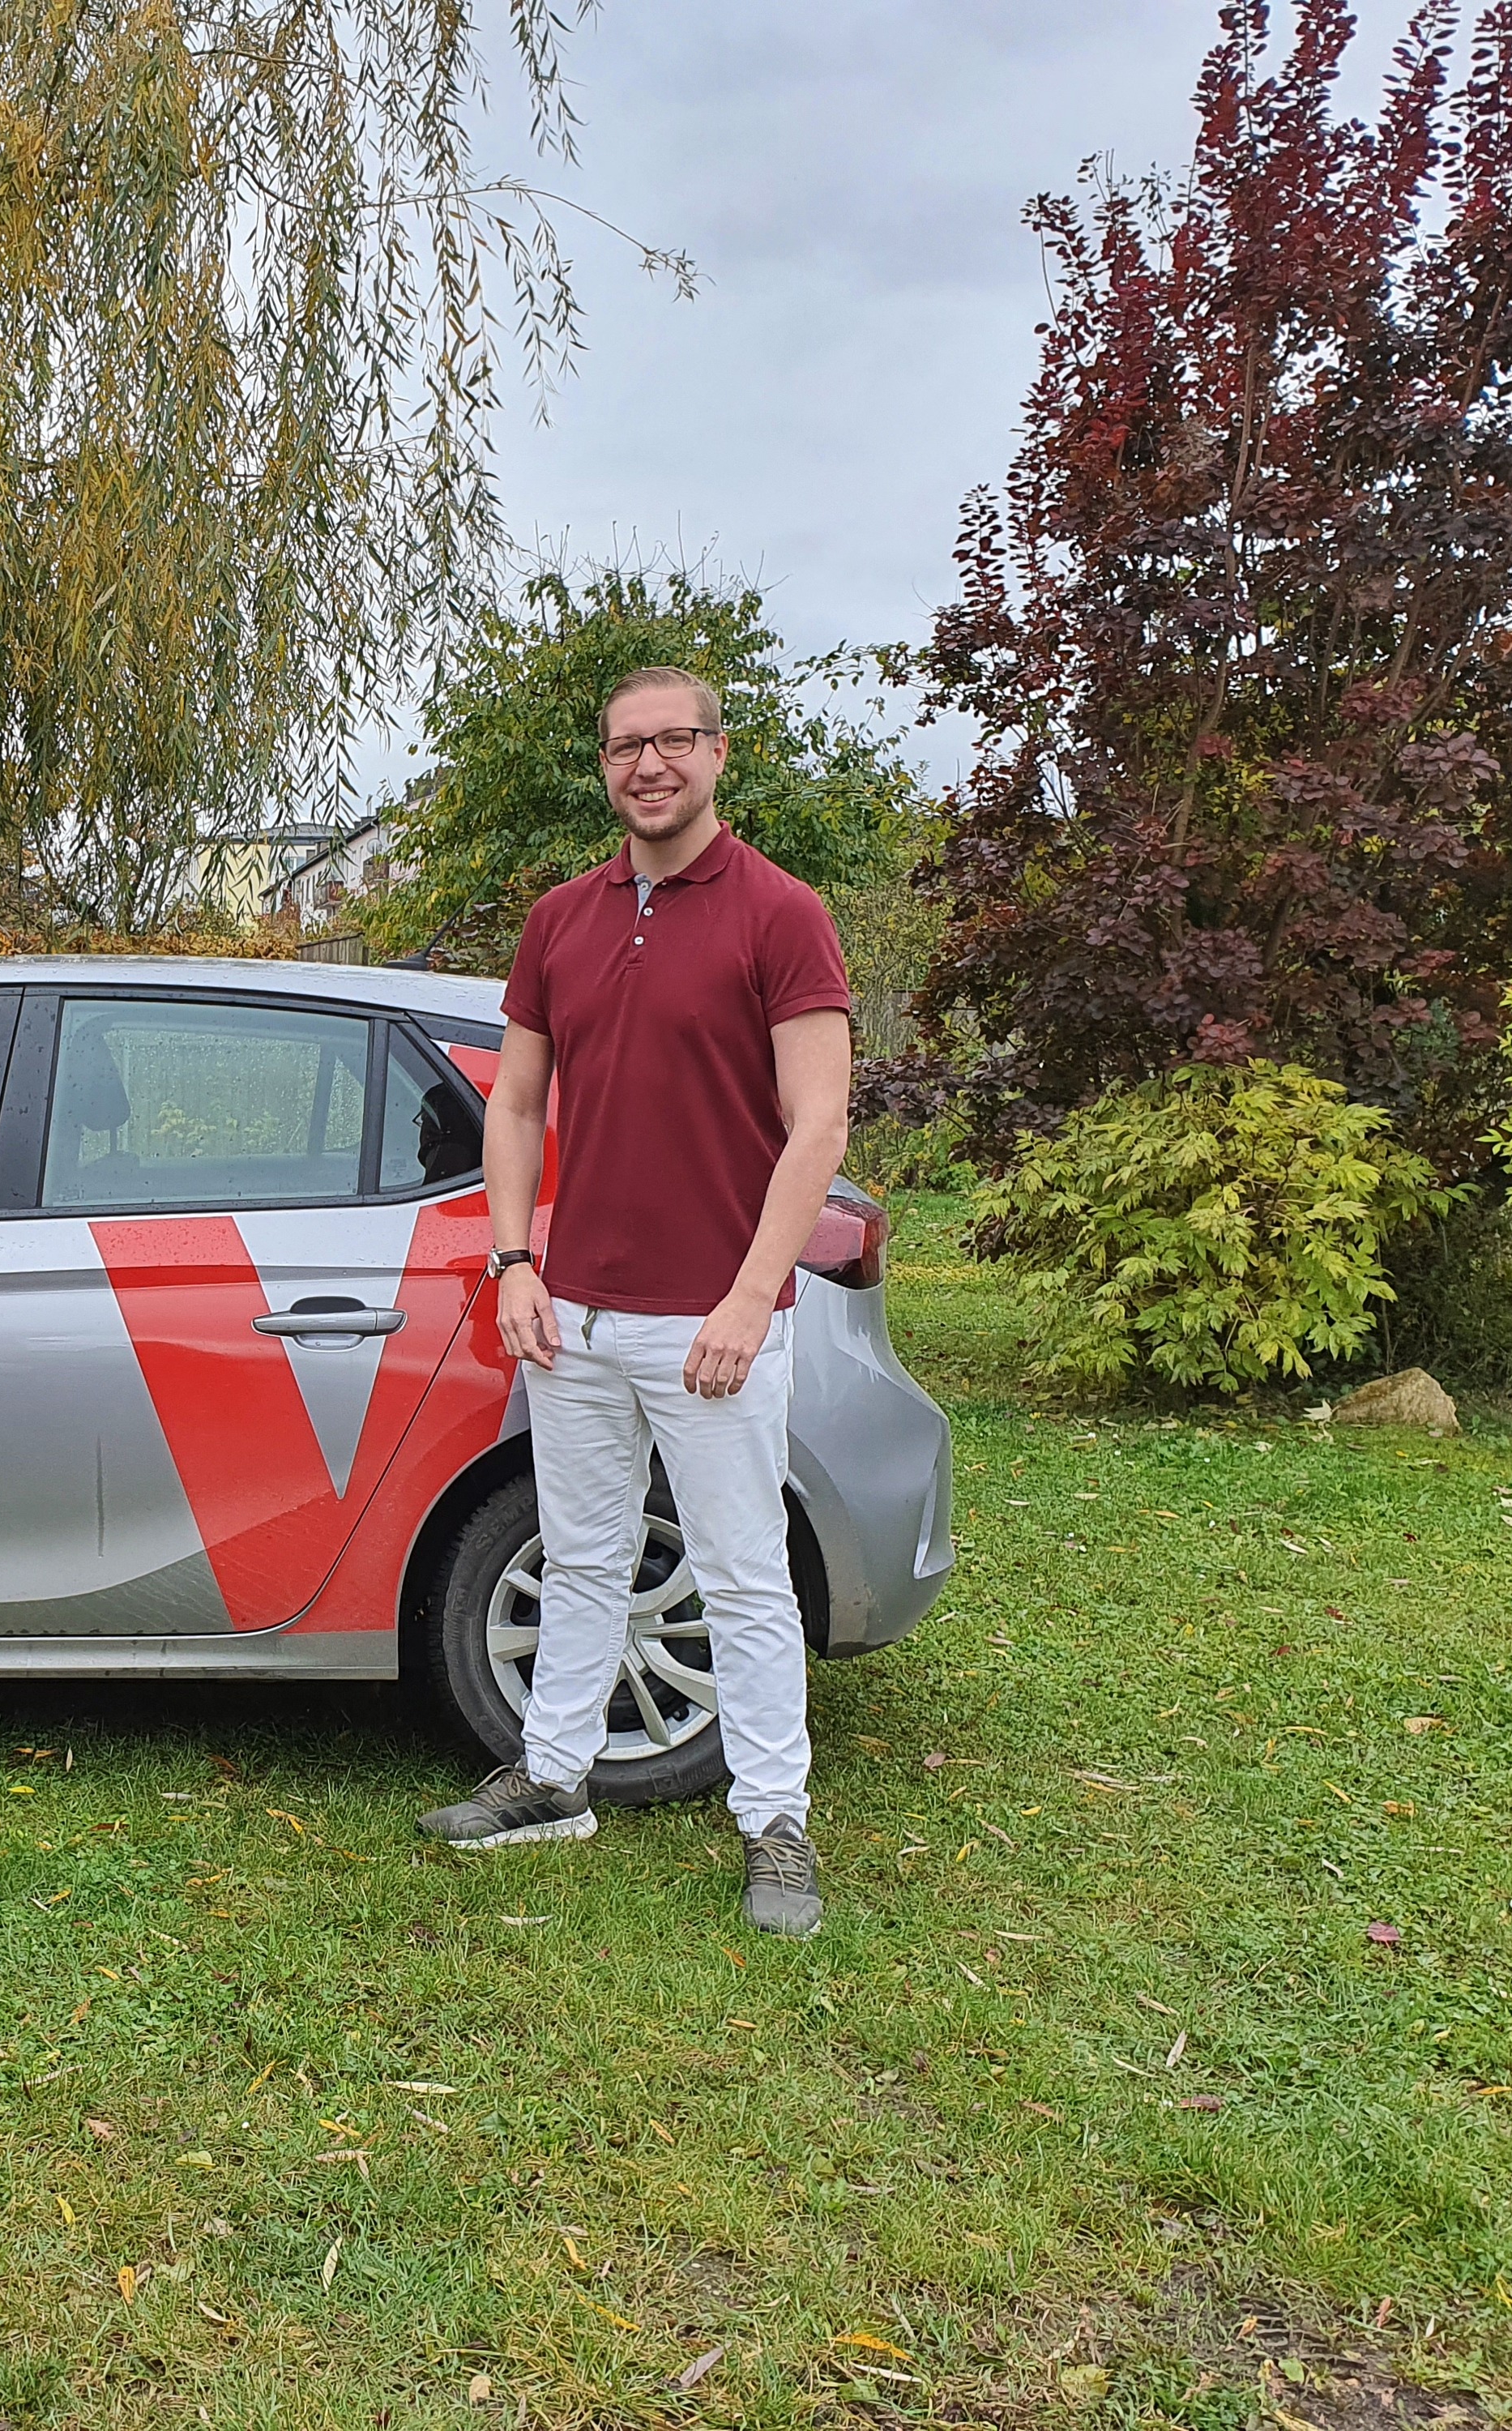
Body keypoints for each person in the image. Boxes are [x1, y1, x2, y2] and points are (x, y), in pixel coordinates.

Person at [416, 667, 852, 1937]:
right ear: (604, 764)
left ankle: (775, 1823)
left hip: (714, 1320)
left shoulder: (783, 914)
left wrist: (750, 1298)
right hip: (577, 1316)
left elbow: (820, 1124)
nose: (648, 765)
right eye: (624, 746)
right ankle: (553, 1779)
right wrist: (514, 1262)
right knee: (582, 1553)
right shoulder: (562, 919)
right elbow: (514, 1104)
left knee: (743, 1574)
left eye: (672, 741)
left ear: (719, 754)